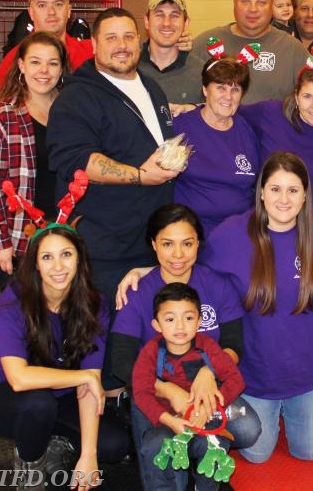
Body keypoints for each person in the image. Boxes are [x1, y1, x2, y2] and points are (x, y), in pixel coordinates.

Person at [200, 151, 313, 464]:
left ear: (305, 195)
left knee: (311, 453)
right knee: (257, 454)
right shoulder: (229, 235)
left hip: (309, 374)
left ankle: (296, 410)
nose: (284, 199)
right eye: (275, 189)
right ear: (260, 191)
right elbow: (192, 278)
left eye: (293, 190)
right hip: (255, 374)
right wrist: (145, 272)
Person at [110, 205, 260, 488]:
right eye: (167, 244)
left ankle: (196, 446)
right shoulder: (137, 292)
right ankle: (183, 443)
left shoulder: (217, 285)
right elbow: (120, 360)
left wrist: (208, 372)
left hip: (206, 389)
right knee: (166, 473)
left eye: (187, 243)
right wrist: (166, 389)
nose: (178, 255)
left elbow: (233, 344)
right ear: (154, 245)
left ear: (198, 244)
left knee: (249, 428)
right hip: (155, 390)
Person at [0, 224, 130, 489]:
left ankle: (54, 440)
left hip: (61, 395)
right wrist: (84, 377)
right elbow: (19, 378)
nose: (58, 266)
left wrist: (89, 455)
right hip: (4, 395)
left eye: (66, 254)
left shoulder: (94, 304)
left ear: (79, 258)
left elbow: (89, 384)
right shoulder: (13, 302)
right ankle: (30, 472)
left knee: (113, 446)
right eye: (47, 257)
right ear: (35, 264)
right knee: (38, 404)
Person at [47, 7, 179, 308]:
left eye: (129, 36)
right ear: (94, 45)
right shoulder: (76, 98)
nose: (122, 45)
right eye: (111, 38)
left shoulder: (152, 88)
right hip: (104, 250)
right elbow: (75, 161)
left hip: (150, 242)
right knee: (103, 339)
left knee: (144, 337)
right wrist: (139, 175)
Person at [132, 283, 246, 491]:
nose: (180, 326)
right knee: (154, 447)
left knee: (217, 446)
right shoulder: (150, 352)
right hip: (165, 424)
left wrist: (208, 408)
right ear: (156, 325)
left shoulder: (208, 347)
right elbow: (141, 392)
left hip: (202, 419)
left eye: (188, 318)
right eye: (170, 319)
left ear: (199, 321)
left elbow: (236, 380)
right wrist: (168, 420)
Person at [0, 32, 69, 290]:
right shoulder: (2, 116)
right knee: (24, 317)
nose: (44, 71)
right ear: (21, 65)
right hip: (22, 236)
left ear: (62, 68)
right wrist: (0, 244)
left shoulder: (72, 109)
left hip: (65, 232)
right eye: (35, 62)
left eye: (52, 63)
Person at [239, 51, 313, 219]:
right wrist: (192, 107)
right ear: (296, 95)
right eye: (307, 96)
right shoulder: (270, 114)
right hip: (273, 230)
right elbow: (227, 111)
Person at [188, 0, 310, 102]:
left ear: (271, 6)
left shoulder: (292, 49)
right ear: (234, 2)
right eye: (245, 2)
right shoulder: (206, 43)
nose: (253, 9)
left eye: (261, 2)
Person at [173, 56, 259, 235]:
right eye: (220, 87)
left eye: (235, 89)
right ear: (205, 89)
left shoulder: (247, 130)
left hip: (240, 233)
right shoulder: (180, 127)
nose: (228, 96)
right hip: (191, 234)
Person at [0, 0, 93, 94]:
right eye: (42, 5)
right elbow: (2, 106)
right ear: (31, 13)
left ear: (69, 11)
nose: (51, 12)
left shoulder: (92, 53)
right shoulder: (14, 59)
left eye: (58, 4)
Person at [137, 0, 205, 105]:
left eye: (174, 15)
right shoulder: (130, 65)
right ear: (147, 21)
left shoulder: (201, 71)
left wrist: (196, 108)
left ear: (186, 23)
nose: (167, 23)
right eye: (159, 14)